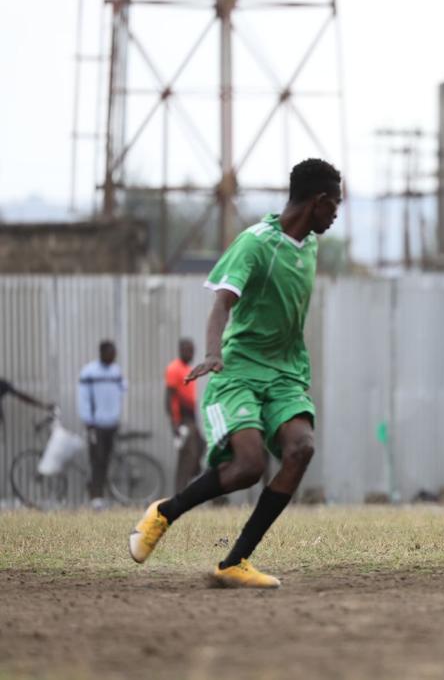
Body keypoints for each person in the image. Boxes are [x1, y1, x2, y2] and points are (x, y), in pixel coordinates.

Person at [129, 158, 343, 589]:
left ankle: (235, 561)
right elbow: (222, 303)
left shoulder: (311, 244)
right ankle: (164, 514)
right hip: (239, 371)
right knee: (248, 465)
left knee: (301, 449)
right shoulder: (256, 244)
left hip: (285, 375)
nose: (337, 213)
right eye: (335, 204)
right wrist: (212, 352)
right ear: (318, 201)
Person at [77, 340, 126, 509]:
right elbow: (83, 398)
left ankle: (102, 495)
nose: (114, 356)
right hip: (96, 425)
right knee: (96, 459)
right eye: (110, 353)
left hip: (111, 423)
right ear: (102, 353)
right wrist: (88, 421)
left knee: (107, 459)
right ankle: (95, 496)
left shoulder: (116, 371)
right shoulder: (89, 372)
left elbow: (121, 392)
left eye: (115, 353)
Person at [165, 338, 203, 493]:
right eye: (187, 350)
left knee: (200, 446)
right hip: (182, 419)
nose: (191, 353)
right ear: (180, 350)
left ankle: (193, 476)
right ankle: (180, 493)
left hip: (191, 417)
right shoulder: (174, 368)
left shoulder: (188, 369)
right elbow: (169, 396)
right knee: (187, 455)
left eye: (192, 349)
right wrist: (175, 423)